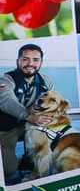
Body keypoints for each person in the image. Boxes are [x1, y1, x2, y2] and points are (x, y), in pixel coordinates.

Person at [0, 44, 53, 182]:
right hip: (6, 127)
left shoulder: (46, 81)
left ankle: (29, 160)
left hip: (30, 124)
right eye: (25, 59)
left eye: (35, 60)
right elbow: (6, 101)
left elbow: (52, 103)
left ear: (41, 62)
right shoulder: (6, 80)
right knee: (9, 172)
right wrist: (29, 116)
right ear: (17, 61)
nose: (30, 63)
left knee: (48, 137)